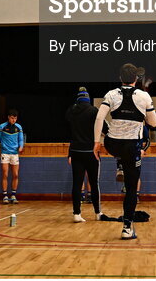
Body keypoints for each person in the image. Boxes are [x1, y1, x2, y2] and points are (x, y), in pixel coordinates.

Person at [94, 64, 156, 240]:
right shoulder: (144, 95)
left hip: (112, 144)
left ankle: (119, 164)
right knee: (131, 189)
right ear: (136, 79)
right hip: (131, 146)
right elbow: (153, 123)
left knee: (118, 145)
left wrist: (96, 143)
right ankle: (127, 227)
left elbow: (99, 118)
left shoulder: (111, 94)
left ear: (120, 78)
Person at [67, 87, 102, 222]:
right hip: (91, 152)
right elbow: (104, 128)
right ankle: (97, 212)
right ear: (88, 98)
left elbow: (70, 132)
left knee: (77, 183)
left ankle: (76, 214)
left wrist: (69, 153)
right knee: (94, 183)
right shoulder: (94, 111)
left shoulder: (71, 111)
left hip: (75, 152)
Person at [0, 109, 25, 204]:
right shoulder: (2, 126)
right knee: (5, 173)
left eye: (15, 118)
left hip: (15, 154)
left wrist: (21, 146)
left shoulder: (18, 127)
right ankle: (5, 195)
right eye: (12, 118)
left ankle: (13, 194)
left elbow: (21, 139)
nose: (14, 120)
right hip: (5, 153)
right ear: (8, 117)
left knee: (15, 174)